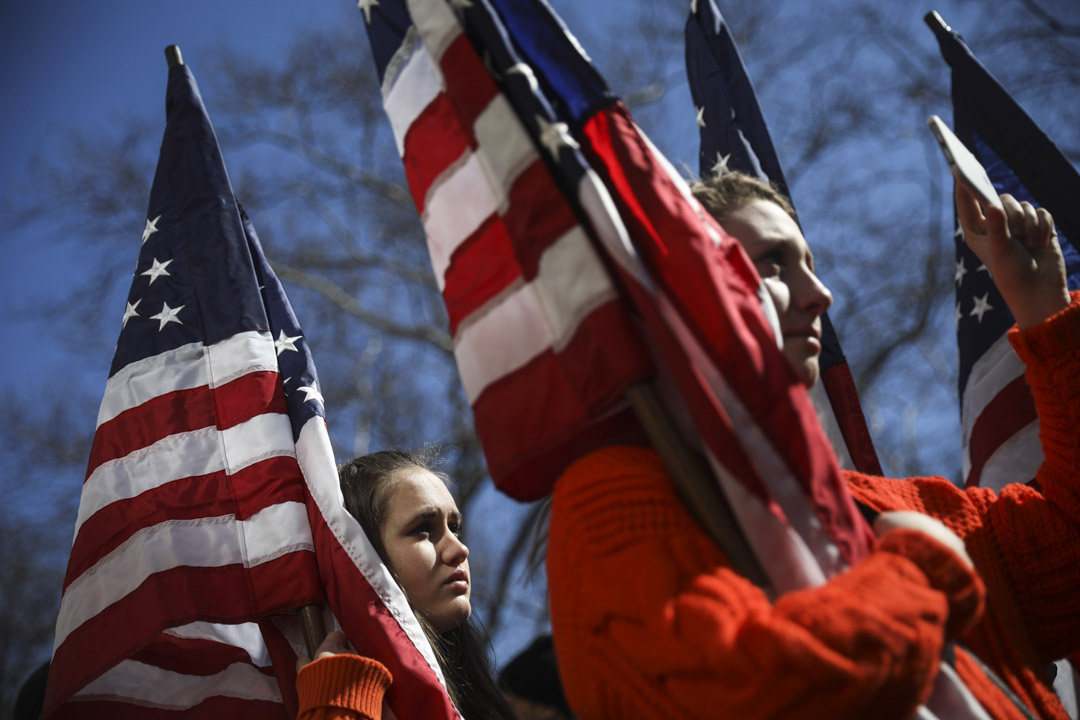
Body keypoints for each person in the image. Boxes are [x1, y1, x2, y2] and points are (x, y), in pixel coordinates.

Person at [546, 171, 1080, 719]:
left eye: (810, 265)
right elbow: (744, 691)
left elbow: (1071, 551)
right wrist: (921, 575)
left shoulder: (901, 508)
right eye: (772, 262)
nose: (820, 295)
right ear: (682, 286)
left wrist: (1047, 314)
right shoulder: (613, 493)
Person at [295, 449, 515, 720]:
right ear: (359, 557)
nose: (459, 549)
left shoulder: (487, 703)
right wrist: (339, 707)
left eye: (454, 527)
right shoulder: (323, 691)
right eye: (423, 529)